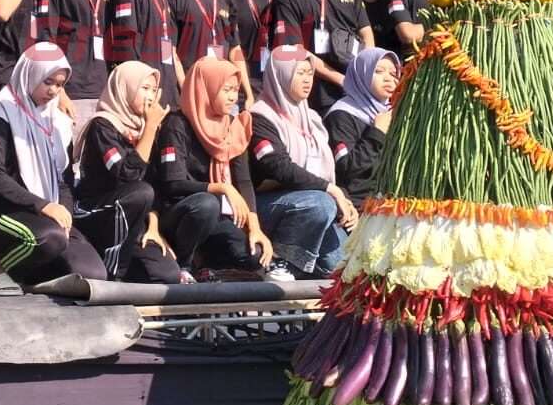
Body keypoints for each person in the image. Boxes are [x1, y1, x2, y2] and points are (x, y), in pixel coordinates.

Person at [0, 43, 107, 287]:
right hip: (3, 212)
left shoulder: (57, 122)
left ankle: (26, 273)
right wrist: (43, 205)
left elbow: (64, 179)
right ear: (30, 75)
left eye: (59, 84)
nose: (54, 91)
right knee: (48, 240)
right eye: (48, 82)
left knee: (93, 275)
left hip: (48, 215)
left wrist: (63, 213)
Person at [152, 58, 273, 281]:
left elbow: (244, 181)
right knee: (207, 204)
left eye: (235, 90)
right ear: (206, 88)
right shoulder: (177, 124)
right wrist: (221, 188)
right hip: (181, 212)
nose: (232, 97)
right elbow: (173, 183)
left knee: (255, 256)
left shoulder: (232, 125)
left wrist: (255, 228)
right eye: (226, 90)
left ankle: (210, 270)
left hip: (218, 216)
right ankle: (184, 265)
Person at [248, 46, 359, 279]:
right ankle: (280, 261)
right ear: (281, 75)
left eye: (310, 73)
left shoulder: (313, 119)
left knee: (343, 269)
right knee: (320, 204)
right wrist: (331, 191)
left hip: (312, 202)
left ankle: (301, 270)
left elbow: (326, 172)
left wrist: (344, 200)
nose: (307, 80)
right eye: (300, 73)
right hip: (270, 205)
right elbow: (278, 167)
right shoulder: (259, 117)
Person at [71, 61, 184, 283]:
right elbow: (127, 175)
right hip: (95, 213)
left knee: (167, 273)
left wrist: (153, 228)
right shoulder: (102, 126)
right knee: (139, 193)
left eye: (154, 90)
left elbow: (154, 183)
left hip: (132, 223)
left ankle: (121, 266)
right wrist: (151, 128)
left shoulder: (144, 126)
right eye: (144, 88)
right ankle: (114, 274)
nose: (151, 96)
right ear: (125, 88)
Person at [323, 48, 399, 206]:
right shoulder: (341, 115)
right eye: (378, 71)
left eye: (393, 74)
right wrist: (377, 133)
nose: (388, 79)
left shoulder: (391, 114)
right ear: (362, 74)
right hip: (354, 206)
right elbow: (346, 168)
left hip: (388, 205)